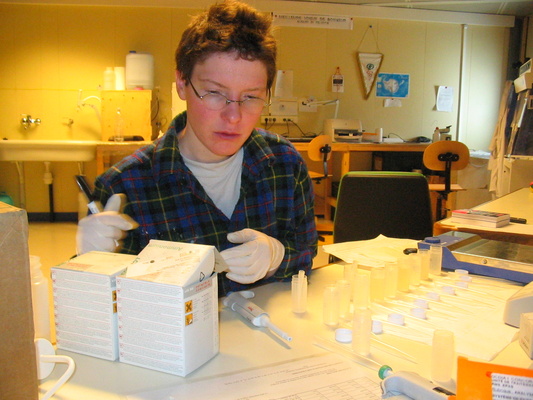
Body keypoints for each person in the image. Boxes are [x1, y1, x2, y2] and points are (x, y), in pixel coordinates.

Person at [77, 0, 317, 297]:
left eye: (251, 97)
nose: (234, 116)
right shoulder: (124, 186)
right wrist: (91, 268)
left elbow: (306, 251)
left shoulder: (284, 163)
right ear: (181, 83)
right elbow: (106, 312)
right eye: (215, 93)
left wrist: (278, 257)